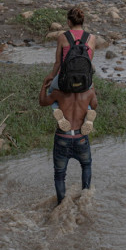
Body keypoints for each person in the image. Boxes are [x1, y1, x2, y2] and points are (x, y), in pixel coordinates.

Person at [39, 66, 98, 205]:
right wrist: (92, 89)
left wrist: (44, 85)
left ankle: (61, 205)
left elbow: (42, 102)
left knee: (59, 175)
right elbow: (94, 105)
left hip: (63, 137)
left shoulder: (58, 94)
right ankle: (85, 198)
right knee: (86, 165)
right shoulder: (88, 93)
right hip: (80, 136)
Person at [42, 7, 97, 134]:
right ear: (82, 21)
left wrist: (51, 76)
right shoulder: (92, 38)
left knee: (51, 91)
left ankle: (58, 112)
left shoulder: (63, 37)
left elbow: (58, 62)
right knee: (88, 94)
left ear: (68, 22)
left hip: (64, 79)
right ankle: (88, 113)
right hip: (84, 80)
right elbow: (89, 63)